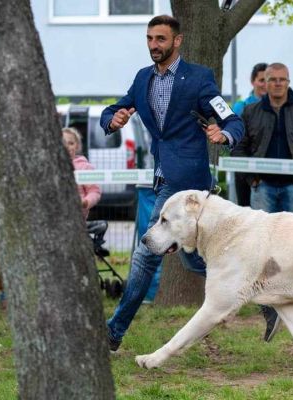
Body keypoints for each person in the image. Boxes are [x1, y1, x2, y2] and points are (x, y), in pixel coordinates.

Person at [99, 15, 244, 351]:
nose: (154, 45)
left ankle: (113, 333)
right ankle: (261, 293)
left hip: (188, 183)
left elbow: (232, 119)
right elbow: (115, 109)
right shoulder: (142, 79)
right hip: (162, 177)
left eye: (161, 39)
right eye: (150, 38)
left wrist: (223, 134)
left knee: (145, 254)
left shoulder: (198, 79)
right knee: (193, 259)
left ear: (177, 41)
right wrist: (113, 119)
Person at [233, 62, 293, 342]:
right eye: (271, 79)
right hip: (262, 186)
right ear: (264, 82)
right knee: (260, 245)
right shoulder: (251, 111)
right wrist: (251, 179)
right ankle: (266, 297)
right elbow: (240, 146)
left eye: (281, 80)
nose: (275, 84)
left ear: (288, 81)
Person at [231, 62, 268, 207]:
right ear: (253, 82)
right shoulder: (241, 107)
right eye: (261, 80)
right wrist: (250, 178)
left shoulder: (278, 108)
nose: (265, 84)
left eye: (268, 80)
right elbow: (235, 140)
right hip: (244, 169)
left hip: (268, 170)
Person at [62, 127, 101, 220]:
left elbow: (94, 191)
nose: (67, 146)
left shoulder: (85, 167)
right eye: (63, 143)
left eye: (71, 143)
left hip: (77, 218)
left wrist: (86, 202)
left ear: (77, 146)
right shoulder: (51, 165)